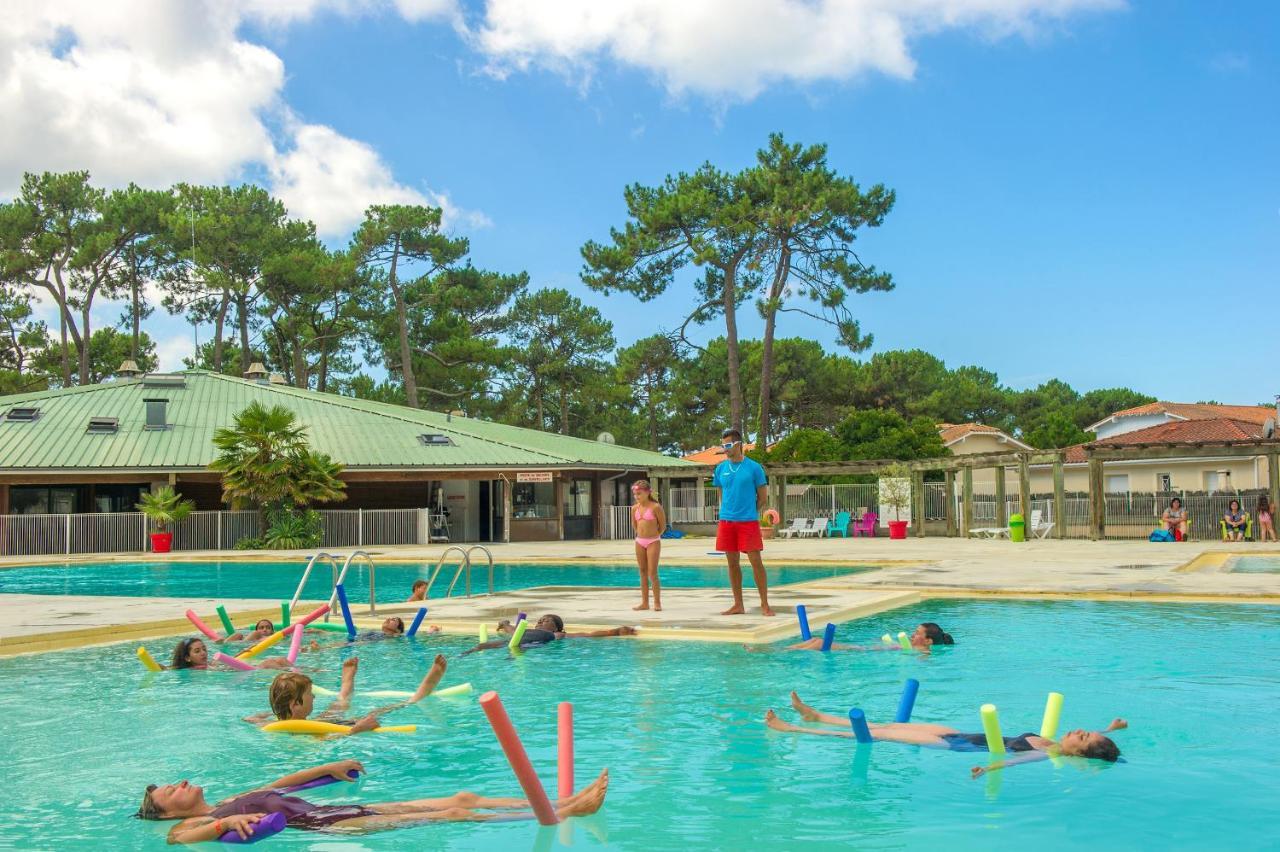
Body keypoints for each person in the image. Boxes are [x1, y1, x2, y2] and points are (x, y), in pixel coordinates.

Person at [135, 759, 609, 842]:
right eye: (170, 792)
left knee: (462, 795)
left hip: (327, 810)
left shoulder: (231, 797)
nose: (180, 783)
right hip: (326, 828)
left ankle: (561, 798)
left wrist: (327, 769)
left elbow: (281, 782)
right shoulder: (185, 826)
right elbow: (185, 842)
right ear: (165, 812)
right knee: (454, 812)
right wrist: (219, 828)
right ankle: (566, 812)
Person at [766, 692, 1125, 775]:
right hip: (962, 733)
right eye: (1085, 731)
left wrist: (987, 770)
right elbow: (1099, 740)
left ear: (1077, 754)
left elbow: (1013, 764)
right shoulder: (1054, 739)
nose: (1079, 731)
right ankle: (817, 715)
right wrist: (1110, 728)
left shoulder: (1047, 753)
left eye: (1083, 738)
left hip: (954, 748)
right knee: (887, 725)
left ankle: (793, 728)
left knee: (880, 737)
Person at [242, 655, 448, 735]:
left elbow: (250, 719)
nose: (314, 697)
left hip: (319, 722)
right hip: (331, 729)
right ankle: (415, 698)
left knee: (337, 706)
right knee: (373, 713)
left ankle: (346, 686)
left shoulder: (270, 724)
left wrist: (260, 717)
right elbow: (321, 742)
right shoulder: (290, 733)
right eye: (310, 694)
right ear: (296, 704)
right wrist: (357, 730)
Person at [712, 428, 774, 617]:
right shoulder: (720, 468)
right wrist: (726, 512)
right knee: (732, 563)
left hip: (747, 521)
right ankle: (738, 604)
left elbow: (762, 497)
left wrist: (748, 511)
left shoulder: (754, 468)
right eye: (723, 445)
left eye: (728, 445)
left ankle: (765, 604)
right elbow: (722, 494)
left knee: (756, 561)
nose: (726, 449)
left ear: (739, 444)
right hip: (727, 522)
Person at [461, 614, 636, 655]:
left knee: (515, 653)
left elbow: (587, 634)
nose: (541, 621)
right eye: (540, 620)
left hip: (527, 646)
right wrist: (504, 624)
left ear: (556, 629)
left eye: (547, 620)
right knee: (482, 646)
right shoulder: (524, 630)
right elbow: (512, 630)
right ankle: (460, 656)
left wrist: (614, 631)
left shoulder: (557, 636)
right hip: (513, 642)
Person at [756, 622, 954, 653]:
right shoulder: (910, 647)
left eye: (918, 633)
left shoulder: (922, 652)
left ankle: (775, 652)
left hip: (860, 653)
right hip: (862, 648)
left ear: (928, 641)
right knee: (816, 639)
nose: (912, 634)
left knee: (818, 643)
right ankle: (778, 650)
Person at [630, 480, 666, 612]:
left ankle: (657, 602)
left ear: (647, 493)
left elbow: (662, 526)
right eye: (635, 494)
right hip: (639, 541)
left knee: (652, 572)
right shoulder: (634, 508)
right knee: (642, 572)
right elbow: (635, 525)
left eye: (639, 494)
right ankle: (645, 603)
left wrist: (654, 535)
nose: (636, 497)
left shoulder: (655, 507)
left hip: (653, 541)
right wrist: (640, 535)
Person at [169, 637, 292, 671]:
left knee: (281, 659)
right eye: (197, 651)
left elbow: (223, 663)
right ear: (187, 658)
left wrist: (240, 654)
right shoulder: (194, 669)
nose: (203, 653)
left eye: (204, 649)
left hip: (238, 669)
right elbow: (169, 669)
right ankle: (300, 675)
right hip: (242, 673)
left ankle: (305, 671)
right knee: (269, 662)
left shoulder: (208, 663)